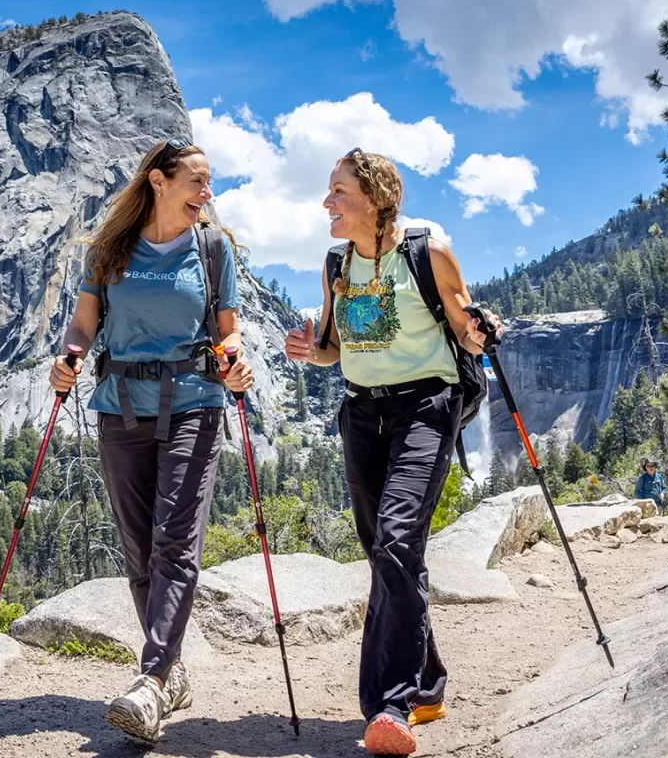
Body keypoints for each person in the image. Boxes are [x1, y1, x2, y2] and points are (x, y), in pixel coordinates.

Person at [284, 149, 503, 755]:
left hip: (425, 409)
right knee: (385, 550)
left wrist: (485, 328)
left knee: (397, 539)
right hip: (361, 414)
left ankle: (391, 705)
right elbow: (331, 348)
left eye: (338, 191)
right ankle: (428, 684)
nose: (327, 202)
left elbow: (466, 329)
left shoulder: (427, 252)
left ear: (376, 200)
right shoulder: (335, 263)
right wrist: (311, 349)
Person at [49, 137, 254, 742]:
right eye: (196, 181)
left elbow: (228, 329)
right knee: (140, 552)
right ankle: (172, 673)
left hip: (194, 403)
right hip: (120, 409)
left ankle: (152, 679)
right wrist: (72, 356)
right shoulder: (112, 249)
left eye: (209, 184)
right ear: (159, 181)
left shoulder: (212, 249)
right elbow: (85, 322)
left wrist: (233, 360)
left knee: (175, 542)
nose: (206, 194)